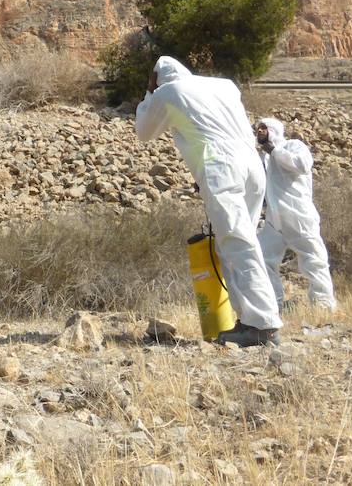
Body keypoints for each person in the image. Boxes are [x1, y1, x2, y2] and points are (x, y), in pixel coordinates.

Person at [135, 56, 281, 346]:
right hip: (252, 166)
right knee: (238, 243)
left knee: (237, 243)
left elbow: (144, 132)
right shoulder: (224, 85)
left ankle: (263, 325)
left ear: (157, 78)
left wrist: (149, 93)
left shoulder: (166, 92)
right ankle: (250, 322)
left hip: (220, 167)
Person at [255, 118, 337, 312]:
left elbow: (302, 165)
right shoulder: (262, 158)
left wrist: (275, 151)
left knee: (314, 260)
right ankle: (274, 306)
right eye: (257, 128)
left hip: (299, 215)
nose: (259, 131)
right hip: (275, 219)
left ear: (274, 130)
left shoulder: (293, 146)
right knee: (262, 259)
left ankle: (323, 308)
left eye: (263, 128)